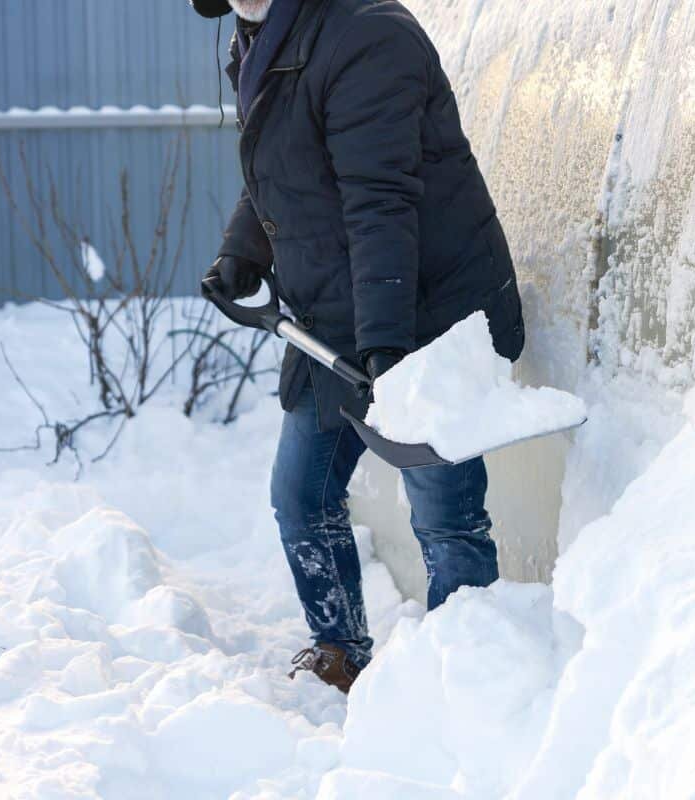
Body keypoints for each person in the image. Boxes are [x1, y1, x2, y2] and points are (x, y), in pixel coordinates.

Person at [192, 0, 525, 693]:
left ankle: (472, 683)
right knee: (300, 496)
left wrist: (386, 350)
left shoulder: (365, 33)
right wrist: (240, 252)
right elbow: (286, 169)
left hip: (427, 309)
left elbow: (380, 199)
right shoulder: (255, 40)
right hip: (336, 314)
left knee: (444, 515)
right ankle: (340, 653)